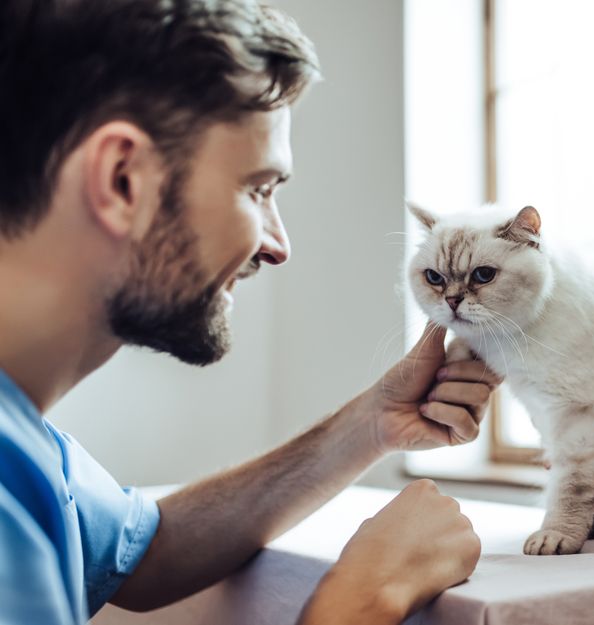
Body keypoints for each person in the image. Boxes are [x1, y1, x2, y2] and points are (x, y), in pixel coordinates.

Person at [0, 2, 500, 624]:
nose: (277, 245)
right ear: (123, 178)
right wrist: (370, 596)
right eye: (259, 189)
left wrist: (374, 422)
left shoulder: (24, 450)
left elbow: (141, 555)